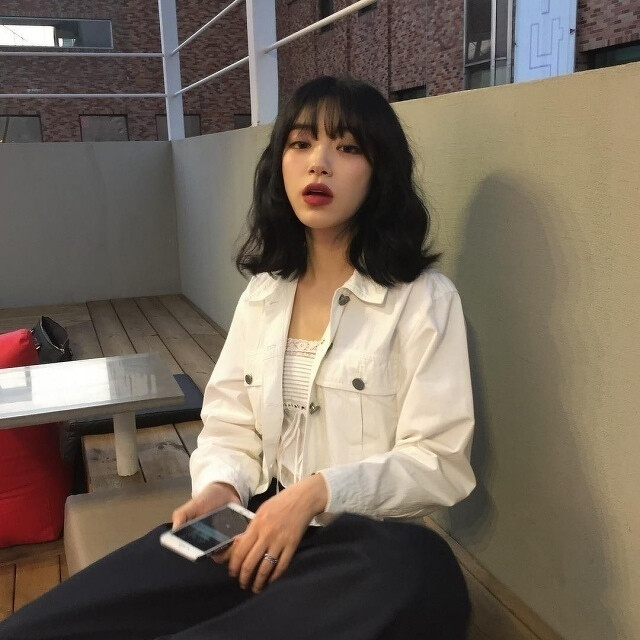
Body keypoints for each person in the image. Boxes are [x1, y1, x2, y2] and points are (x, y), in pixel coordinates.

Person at [0, 76, 475, 640]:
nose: (318, 163)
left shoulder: (422, 300)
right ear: (280, 163)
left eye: (347, 147)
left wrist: (316, 493)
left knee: (423, 570)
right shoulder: (265, 294)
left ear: (379, 172)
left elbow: (439, 461)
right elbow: (229, 424)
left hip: (360, 549)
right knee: (52, 621)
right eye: (301, 143)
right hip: (248, 526)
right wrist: (220, 489)